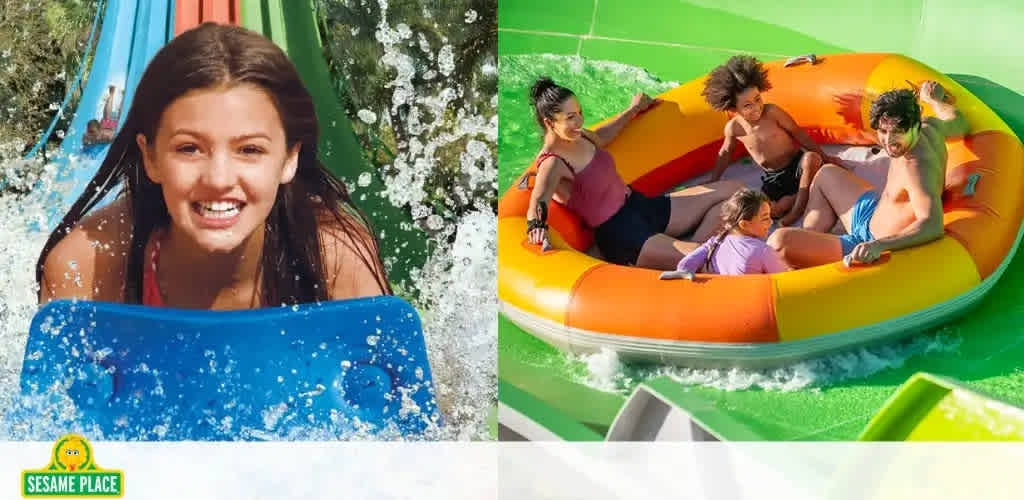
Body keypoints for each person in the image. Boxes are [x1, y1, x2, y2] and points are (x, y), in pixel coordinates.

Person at [38, 23, 390, 309]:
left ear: (289, 159)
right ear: (151, 157)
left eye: (250, 150)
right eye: (190, 149)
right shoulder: (88, 266)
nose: (219, 179)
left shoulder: (333, 259)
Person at [525, 77, 742, 270]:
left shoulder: (579, 136)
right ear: (549, 122)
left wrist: (633, 109)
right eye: (571, 117)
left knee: (736, 193)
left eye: (580, 113)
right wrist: (537, 227)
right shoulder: (552, 162)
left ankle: (685, 249)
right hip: (620, 232)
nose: (579, 121)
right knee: (706, 258)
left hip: (639, 206)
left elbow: (603, 137)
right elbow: (539, 198)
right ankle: (687, 253)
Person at [767, 81, 967, 268]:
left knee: (779, 242)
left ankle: (810, 248)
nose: (888, 141)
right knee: (825, 174)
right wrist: (934, 100)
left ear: (914, 124)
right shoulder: (930, 126)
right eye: (883, 131)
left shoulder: (916, 167)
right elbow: (959, 122)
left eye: (897, 132)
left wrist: (877, 246)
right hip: (871, 212)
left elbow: (933, 225)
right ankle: (811, 239)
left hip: (868, 241)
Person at [702, 55, 842, 227]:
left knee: (812, 159)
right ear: (732, 108)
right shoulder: (734, 128)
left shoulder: (772, 112)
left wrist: (825, 156)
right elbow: (725, 153)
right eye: (747, 105)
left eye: (757, 99)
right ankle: (795, 198)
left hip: (796, 164)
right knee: (770, 209)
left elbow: (798, 133)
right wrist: (714, 179)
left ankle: (797, 209)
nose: (756, 107)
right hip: (773, 177)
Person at [672, 188, 789, 276]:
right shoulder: (762, 251)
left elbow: (686, 264)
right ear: (744, 224)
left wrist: (685, 272)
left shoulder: (717, 241)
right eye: (765, 218)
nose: (771, 222)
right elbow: (784, 280)